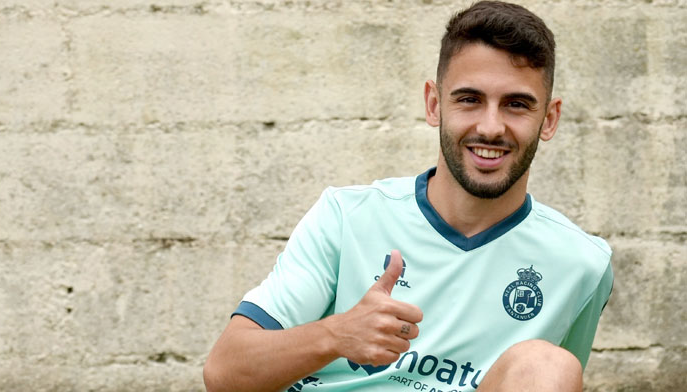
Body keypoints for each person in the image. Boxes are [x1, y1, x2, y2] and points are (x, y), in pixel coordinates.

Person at [203, 1, 614, 391]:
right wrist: (335, 335)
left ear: (550, 118)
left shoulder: (582, 266)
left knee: (548, 366)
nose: (491, 127)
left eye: (517, 104)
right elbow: (223, 373)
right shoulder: (348, 216)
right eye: (469, 100)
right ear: (434, 104)